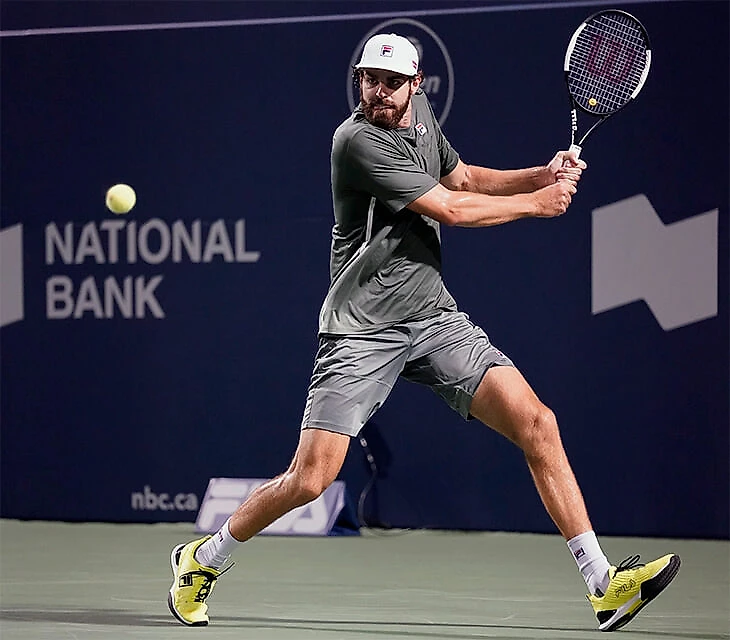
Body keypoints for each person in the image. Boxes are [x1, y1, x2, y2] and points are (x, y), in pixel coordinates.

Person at [167, 32, 680, 632]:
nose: (377, 93)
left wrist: (537, 174)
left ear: (416, 86)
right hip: (361, 330)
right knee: (311, 478)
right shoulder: (355, 139)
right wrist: (539, 204)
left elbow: (462, 180)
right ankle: (202, 560)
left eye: (390, 83)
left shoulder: (421, 119)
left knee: (538, 422)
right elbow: (451, 212)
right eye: (368, 80)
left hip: (432, 317)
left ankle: (602, 584)